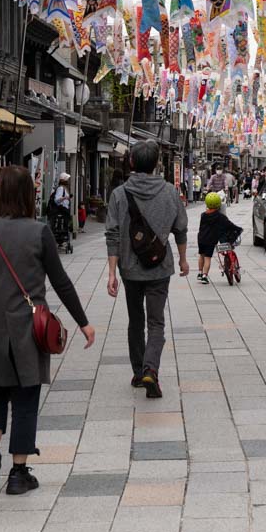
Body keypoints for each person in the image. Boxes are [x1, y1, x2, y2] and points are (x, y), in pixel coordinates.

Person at [0, 166, 94, 495]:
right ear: (27, 196)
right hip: (27, 324)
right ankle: (19, 472)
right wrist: (82, 321)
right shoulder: (39, 232)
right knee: (25, 396)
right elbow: (60, 281)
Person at [105, 140, 190, 398]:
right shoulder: (169, 192)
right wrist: (184, 260)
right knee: (156, 322)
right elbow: (181, 229)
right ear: (157, 163)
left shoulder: (119, 194)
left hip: (130, 269)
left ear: (131, 163)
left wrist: (111, 272)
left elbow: (112, 234)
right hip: (159, 267)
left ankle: (137, 371)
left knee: (135, 320)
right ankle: (150, 370)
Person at [195, 191, 243, 283]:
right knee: (207, 258)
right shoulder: (220, 216)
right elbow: (229, 225)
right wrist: (238, 229)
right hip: (210, 240)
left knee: (201, 255)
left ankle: (200, 273)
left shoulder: (203, 215)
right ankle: (205, 276)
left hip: (201, 238)